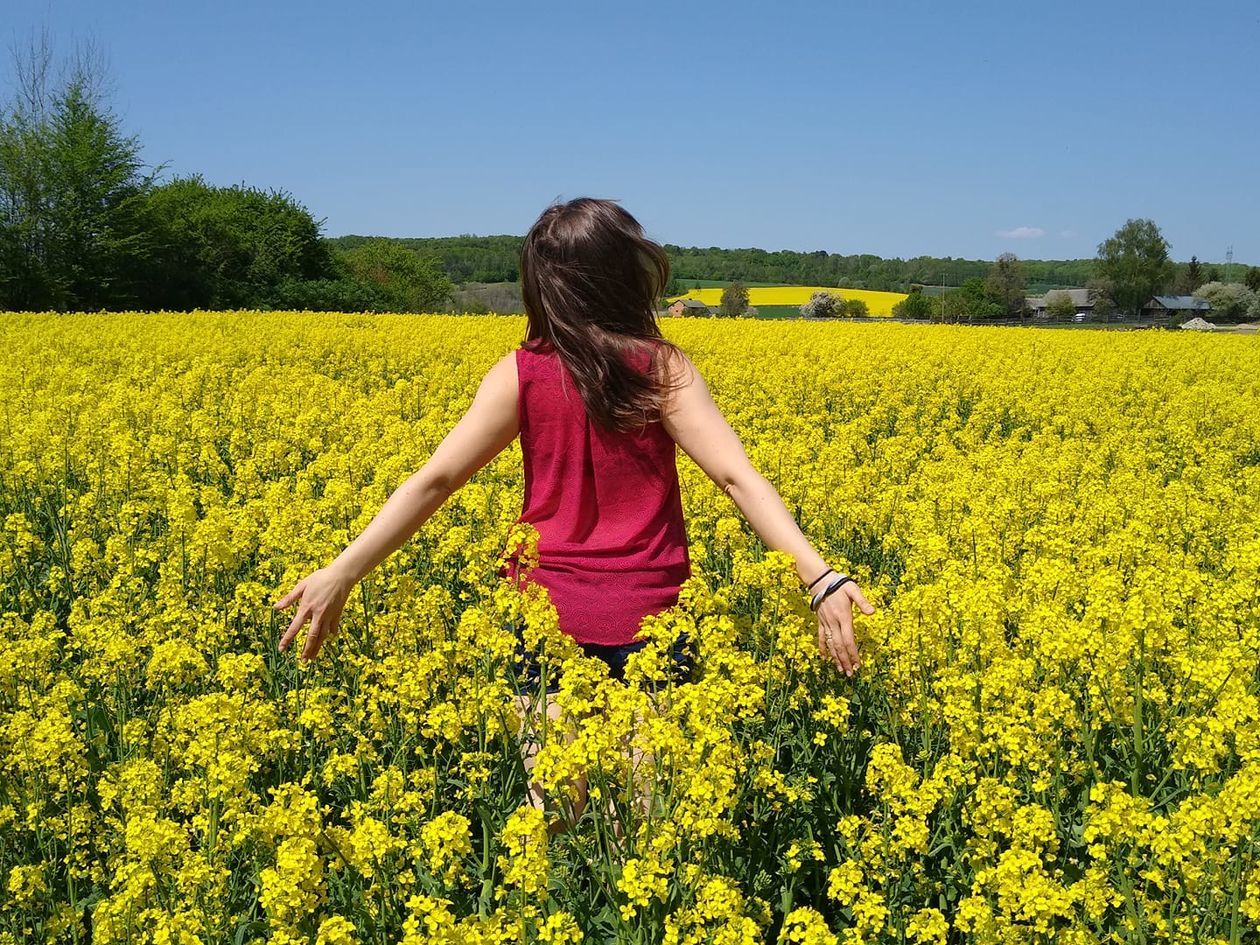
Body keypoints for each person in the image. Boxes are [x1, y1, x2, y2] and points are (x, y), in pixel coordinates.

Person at [272, 196, 874, 842]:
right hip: (653, 616)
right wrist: (819, 576)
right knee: (644, 830)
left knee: (553, 815)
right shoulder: (660, 369)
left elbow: (435, 479)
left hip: (546, 617)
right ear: (625, 275)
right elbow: (736, 477)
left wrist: (344, 569)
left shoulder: (521, 374)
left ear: (543, 285)